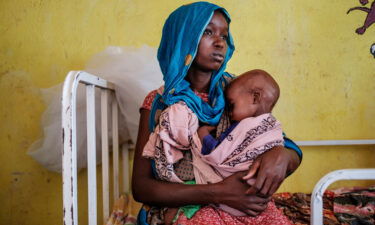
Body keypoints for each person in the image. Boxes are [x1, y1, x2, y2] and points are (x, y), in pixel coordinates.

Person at [132, 2, 302, 224]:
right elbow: (141, 188)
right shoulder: (159, 104)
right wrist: (219, 192)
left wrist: (281, 155)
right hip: (190, 206)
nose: (220, 42)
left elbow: (281, 145)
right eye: (208, 32)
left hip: (241, 207)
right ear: (183, 38)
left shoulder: (238, 91)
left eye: (225, 35)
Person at [142, 69, 285, 219]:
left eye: (231, 105)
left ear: (255, 98)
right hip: (250, 201)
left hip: (246, 195)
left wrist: (203, 133)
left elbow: (219, 153)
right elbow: (141, 188)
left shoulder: (246, 124)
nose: (229, 113)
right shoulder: (158, 100)